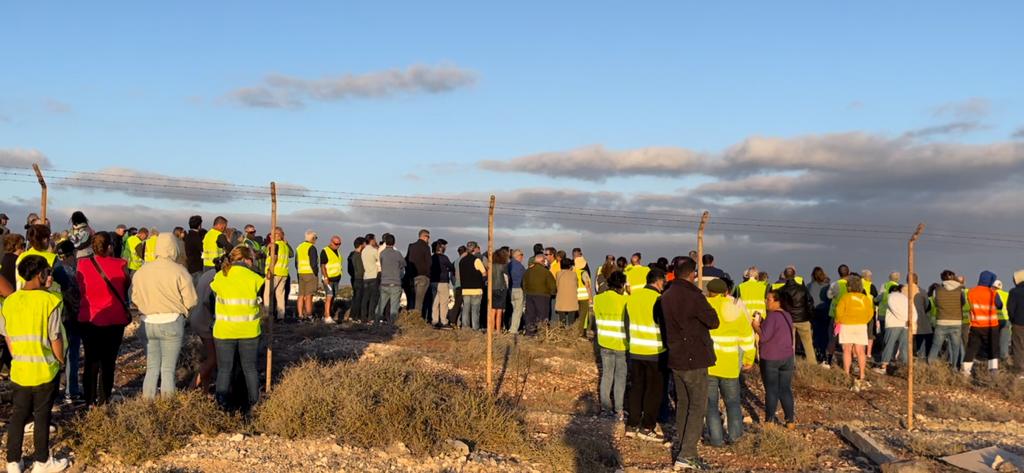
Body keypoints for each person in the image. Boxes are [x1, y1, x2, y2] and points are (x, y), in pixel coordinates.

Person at [2, 255, 71, 473]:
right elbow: (55, 337)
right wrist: (61, 361)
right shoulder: (50, 301)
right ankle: (42, 461)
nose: (50, 276)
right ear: (41, 274)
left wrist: (17, 356)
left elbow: (8, 336)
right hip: (44, 369)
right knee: (42, 416)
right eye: (48, 272)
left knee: (18, 416)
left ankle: (13, 461)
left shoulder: (10, 301)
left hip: (20, 370)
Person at [661, 257, 718, 471]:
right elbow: (713, 321)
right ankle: (687, 454)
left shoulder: (666, 296)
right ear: (692, 274)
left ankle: (681, 448)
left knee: (683, 405)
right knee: (696, 407)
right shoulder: (695, 297)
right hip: (694, 358)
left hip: (676, 357)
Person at [131, 233, 198, 398]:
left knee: (152, 368)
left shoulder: (142, 271)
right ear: (174, 248)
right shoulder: (179, 271)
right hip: (172, 321)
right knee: (168, 370)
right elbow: (192, 299)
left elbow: (134, 297)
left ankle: (147, 409)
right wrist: (183, 312)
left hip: (147, 322)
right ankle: (167, 409)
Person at [76, 232, 130, 406]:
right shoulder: (121, 264)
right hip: (114, 318)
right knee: (108, 361)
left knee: (91, 360)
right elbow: (126, 285)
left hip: (89, 317)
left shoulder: (82, 265)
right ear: (110, 247)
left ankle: (89, 400)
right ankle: (104, 398)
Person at [210, 246, 264, 410]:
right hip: (249, 330)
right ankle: (254, 405)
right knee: (250, 369)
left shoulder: (219, 277)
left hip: (224, 331)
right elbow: (263, 303)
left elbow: (213, 301)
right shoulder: (255, 278)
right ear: (248, 260)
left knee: (225, 370)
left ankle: (222, 406)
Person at [704, 278, 755, 446]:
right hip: (730, 365)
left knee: (710, 405)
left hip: (708, 365)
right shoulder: (734, 310)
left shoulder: (703, 308)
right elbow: (747, 337)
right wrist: (749, 359)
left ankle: (716, 440)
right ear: (726, 292)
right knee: (732, 404)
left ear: (709, 292)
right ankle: (735, 438)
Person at [623, 268, 667, 442]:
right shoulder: (659, 300)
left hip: (635, 350)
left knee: (636, 388)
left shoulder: (632, 298)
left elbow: (626, 324)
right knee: (653, 391)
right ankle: (647, 427)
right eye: (663, 282)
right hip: (655, 352)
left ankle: (632, 424)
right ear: (658, 281)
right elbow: (664, 326)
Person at [758, 290, 796, 427]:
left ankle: (769, 420)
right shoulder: (787, 315)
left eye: (769, 299)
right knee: (785, 388)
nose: (766, 302)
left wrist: (756, 327)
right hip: (787, 357)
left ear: (777, 301)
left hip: (771, 357)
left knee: (772, 389)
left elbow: (764, 337)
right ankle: (790, 420)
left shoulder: (772, 316)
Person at [594, 271, 628, 418]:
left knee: (606, 375)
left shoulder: (598, 299)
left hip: (604, 342)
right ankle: (619, 409)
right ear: (622, 285)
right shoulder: (625, 301)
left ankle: (605, 408)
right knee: (620, 377)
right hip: (621, 344)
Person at [835, 275, 873, 391]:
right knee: (861, 351)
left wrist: (838, 321)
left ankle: (846, 374)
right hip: (861, 325)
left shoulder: (845, 297)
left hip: (847, 325)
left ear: (849, 287)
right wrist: (863, 321)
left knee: (847, 350)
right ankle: (862, 375)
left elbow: (839, 311)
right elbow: (870, 312)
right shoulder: (865, 298)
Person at [963, 271, 1003, 374]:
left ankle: (965, 372)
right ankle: (993, 373)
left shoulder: (971, 292)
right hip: (991, 326)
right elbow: (1000, 305)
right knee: (993, 349)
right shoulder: (993, 292)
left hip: (976, 326)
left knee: (971, 349)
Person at [928, 270, 967, 367]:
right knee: (955, 348)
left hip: (942, 322)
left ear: (942, 278)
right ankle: (954, 368)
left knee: (936, 346)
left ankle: (930, 367)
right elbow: (963, 303)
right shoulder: (960, 289)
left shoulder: (938, 289)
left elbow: (936, 303)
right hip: (956, 322)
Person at [777, 267, 816, 363]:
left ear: (785, 276)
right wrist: (809, 316)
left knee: (790, 344)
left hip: (788, 320)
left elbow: (779, 305)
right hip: (803, 319)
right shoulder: (803, 289)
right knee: (808, 344)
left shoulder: (781, 290)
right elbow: (810, 303)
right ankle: (812, 363)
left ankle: (791, 363)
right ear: (795, 275)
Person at [189, 264, 218, 391]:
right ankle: (191, 388)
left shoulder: (208, 274)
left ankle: (205, 390)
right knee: (213, 358)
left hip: (197, 316)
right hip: (205, 320)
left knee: (209, 356)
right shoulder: (217, 277)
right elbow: (211, 302)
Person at [878, 284, 915, 373]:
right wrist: (910, 321)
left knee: (889, 345)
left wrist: (903, 318)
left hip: (893, 325)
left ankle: (884, 366)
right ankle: (906, 368)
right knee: (904, 347)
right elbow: (913, 310)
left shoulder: (890, 297)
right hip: (906, 325)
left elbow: (895, 310)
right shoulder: (905, 298)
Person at [522, 254, 556, 335]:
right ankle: (542, 333)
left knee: (530, 315)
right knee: (542, 316)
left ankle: (530, 333)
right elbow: (552, 286)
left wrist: (527, 291)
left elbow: (523, 284)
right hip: (543, 296)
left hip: (529, 295)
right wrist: (552, 293)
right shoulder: (546, 272)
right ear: (543, 261)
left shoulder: (527, 271)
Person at [376, 234, 405, 325]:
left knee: (380, 306)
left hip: (384, 282)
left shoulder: (382, 253)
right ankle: (391, 325)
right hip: (395, 283)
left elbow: (381, 263)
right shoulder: (398, 253)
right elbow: (404, 264)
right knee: (394, 307)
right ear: (394, 242)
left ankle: (375, 323)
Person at [458, 241, 486, 330]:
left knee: (466, 309)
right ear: (474, 249)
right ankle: (475, 328)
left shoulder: (461, 261)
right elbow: (484, 273)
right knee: (475, 310)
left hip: (465, 289)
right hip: (476, 289)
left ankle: (465, 327)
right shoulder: (476, 260)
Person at [265, 227, 292, 321]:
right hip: (283, 273)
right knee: (280, 296)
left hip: (275, 272)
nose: (271, 236)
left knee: (267, 295)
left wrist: (269, 270)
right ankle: (281, 316)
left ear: (277, 234)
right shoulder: (285, 245)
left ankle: (267, 315)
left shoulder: (275, 245)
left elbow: (274, 257)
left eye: (272, 234)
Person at [406, 229, 432, 316]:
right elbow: (429, 263)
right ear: (425, 237)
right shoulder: (426, 247)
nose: (429, 240)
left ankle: (409, 318)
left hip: (412, 277)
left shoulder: (411, 246)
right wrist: (428, 275)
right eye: (428, 237)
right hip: (423, 276)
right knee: (419, 301)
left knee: (412, 300)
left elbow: (407, 260)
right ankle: (416, 320)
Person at [429, 239, 454, 329]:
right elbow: (451, 267)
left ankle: (434, 321)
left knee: (435, 303)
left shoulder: (431, 258)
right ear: (441, 248)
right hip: (443, 282)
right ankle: (443, 321)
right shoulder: (444, 258)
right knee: (443, 303)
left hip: (433, 282)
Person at [295, 230, 319, 322]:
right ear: (312, 238)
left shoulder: (299, 247)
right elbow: (313, 263)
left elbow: (296, 262)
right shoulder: (311, 247)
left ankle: (300, 315)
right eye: (315, 238)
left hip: (301, 272)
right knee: (309, 296)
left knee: (301, 295)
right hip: (310, 273)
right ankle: (309, 315)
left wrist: (299, 271)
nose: (316, 240)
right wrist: (316, 273)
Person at [320, 235, 343, 324]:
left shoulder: (337, 251)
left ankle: (327, 313)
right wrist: (325, 277)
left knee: (333, 296)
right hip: (328, 278)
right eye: (336, 244)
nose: (338, 245)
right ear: (331, 242)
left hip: (336, 278)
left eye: (339, 244)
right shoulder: (325, 251)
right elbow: (322, 266)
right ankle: (327, 317)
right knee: (329, 296)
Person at [360, 234, 381, 323]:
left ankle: (363, 317)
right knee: (373, 298)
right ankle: (371, 317)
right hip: (373, 275)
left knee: (365, 298)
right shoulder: (374, 250)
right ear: (372, 240)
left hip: (366, 276)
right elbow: (380, 260)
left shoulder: (363, 251)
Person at [489, 248, 510, 333]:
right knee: (499, 311)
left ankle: (492, 329)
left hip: (492, 288)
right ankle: (498, 330)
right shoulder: (504, 266)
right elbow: (506, 278)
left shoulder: (491, 266)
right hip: (502, 288)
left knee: (493, 310)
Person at [554, 257, 579, 327]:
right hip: (572, 300)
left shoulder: (558, 274)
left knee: (562, 321)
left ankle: (562, 332)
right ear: (569, 266)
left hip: (561, 300)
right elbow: (577, 285)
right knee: (571, 321)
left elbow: (556, 285)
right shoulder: (574, 274)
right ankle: (571, 333)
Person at [1008, 269, 1024, 376]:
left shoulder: (1014, 292)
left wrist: (1012, 320)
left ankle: (1020, 372)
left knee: (1018, 346)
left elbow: (1010, 308)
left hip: (1018, 323)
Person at [507, 249, 527, 333]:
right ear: (518, 256)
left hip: (510, 289)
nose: (523, 257)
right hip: (519, 289)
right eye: (522, 255)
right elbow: (525, 279)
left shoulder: (508, 265)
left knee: (512, 309)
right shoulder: (520, 267)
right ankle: (513, 329)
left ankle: (509, 326)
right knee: (517, 311)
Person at [347, 237, 366, 323]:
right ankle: (355, 317)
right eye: (364, 244)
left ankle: (352, 315)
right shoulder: (358, 256)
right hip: (359, 279)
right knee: (359, 298)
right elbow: (361, 269)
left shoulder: (351, 254)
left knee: (355, 298)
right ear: (361, 245)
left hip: (354, 279)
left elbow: (349, 269)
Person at [183, 215, 206, 282]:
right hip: (197, 267)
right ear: (199, 225)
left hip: (190, 266)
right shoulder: (196, 237)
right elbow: (203, 249)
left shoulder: (187, 236)